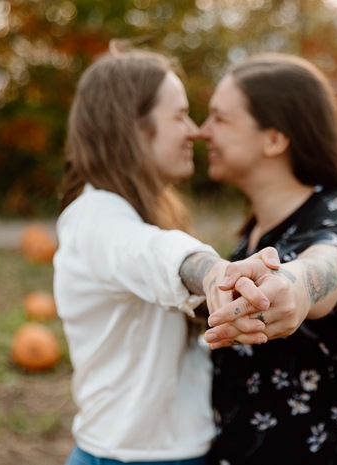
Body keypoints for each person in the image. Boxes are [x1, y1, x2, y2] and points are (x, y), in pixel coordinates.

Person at [53, 42, 286, 465]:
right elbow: (151, 254)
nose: (195, 130)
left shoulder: (145, 212)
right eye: (179, 116)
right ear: (132, 129)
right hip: (129, 458)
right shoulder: (94, 218)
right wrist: (212, 271)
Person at [198, 53, 337, 465]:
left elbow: (332, 259)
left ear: (273, 138)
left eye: (220, 118)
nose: (203, 131)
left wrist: (296, 286)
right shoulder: (250, 237)